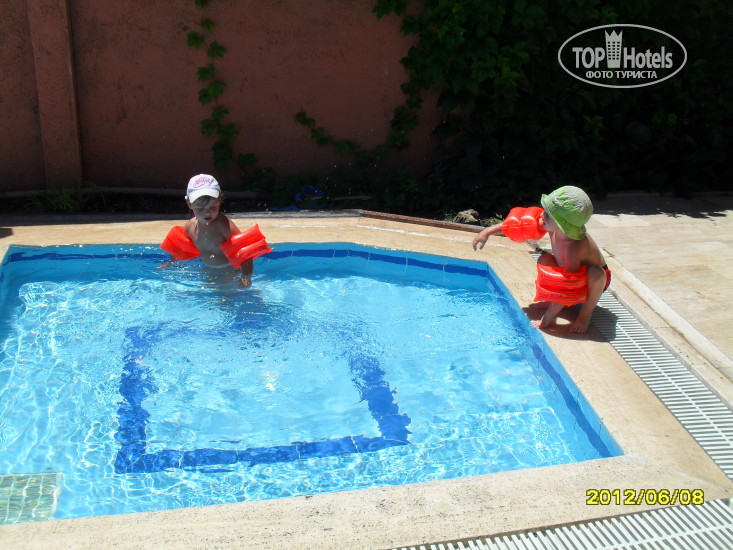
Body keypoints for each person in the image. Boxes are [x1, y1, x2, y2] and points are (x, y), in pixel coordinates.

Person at [472, 186, 610, 333]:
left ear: (563, 225)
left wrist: (548, 317)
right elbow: (518, 225)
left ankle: (585, 315)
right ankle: (554, 301)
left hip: (591, 282)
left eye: (548, 215)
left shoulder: (573, 247)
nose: (542, 215)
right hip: (571, 277)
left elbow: (568, 286)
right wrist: (488, 231)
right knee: (544, 260)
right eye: (545, 211)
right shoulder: (552, 226)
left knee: (596, 274)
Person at [160, 174, 270, 288]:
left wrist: (246, 276)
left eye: (212, 207)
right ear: (190, 205)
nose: (207, 212)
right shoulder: (189, 227)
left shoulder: (224, 226)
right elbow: (182, 250)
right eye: (200, 208)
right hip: (209, 269)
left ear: (219, 201)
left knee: (223, 296)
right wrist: (170, 263)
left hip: (230, 270)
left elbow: (244, 253)